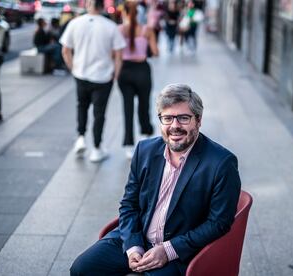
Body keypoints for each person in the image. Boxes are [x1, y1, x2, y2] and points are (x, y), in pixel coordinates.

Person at [70, 83, 241, 275]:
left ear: (198, 120)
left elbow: (218, 223)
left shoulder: (222, 163)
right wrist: (133, 246)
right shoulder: (145, 150)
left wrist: (169, 250)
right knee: (81, 269)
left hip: (181, 251)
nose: (174, 126)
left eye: (184, 118)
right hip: (138, 237)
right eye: (167, 118)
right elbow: (129, 204)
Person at [60, 0, 126, 162]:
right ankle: (96, 148)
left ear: (88, 5)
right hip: (103, 76)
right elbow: (119, 55)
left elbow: (65, 50)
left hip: (81, 74)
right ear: (102, 6)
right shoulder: (111, 26)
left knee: (81, 106)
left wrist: (73, 68)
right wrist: (115, 74)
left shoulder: (75, 23)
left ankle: (81, 137)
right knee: (99, 113)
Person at [118, 0, 159, 159]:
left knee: (127, 108)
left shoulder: (119, 30)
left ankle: (129, 145)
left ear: (124, 13)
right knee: (144, 104)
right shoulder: (147, 30)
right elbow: (155, 52)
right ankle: (145, 135)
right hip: (142, 69)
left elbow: (115, 53)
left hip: (125, 71)